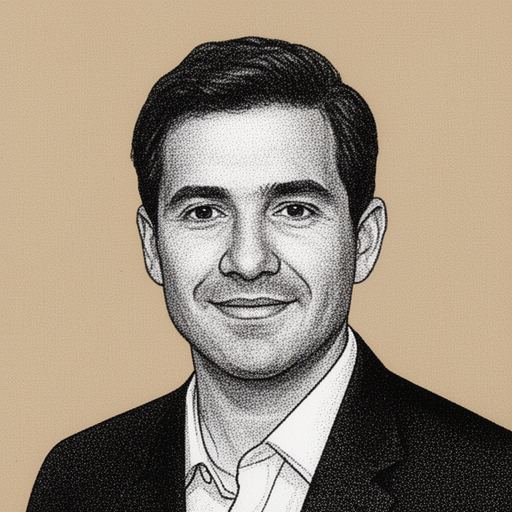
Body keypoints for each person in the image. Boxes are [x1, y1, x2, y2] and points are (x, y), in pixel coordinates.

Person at [27, 37, 512, 512]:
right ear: (152, 246)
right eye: (203, 212)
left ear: (364, 240)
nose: (248, 261)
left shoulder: (492, 485)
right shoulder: (77, 481)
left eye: (294, 209)